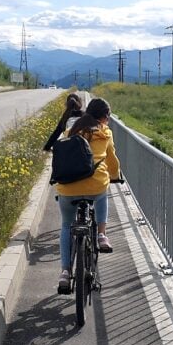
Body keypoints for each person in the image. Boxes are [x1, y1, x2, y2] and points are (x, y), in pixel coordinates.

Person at [53, 97, 121, 292]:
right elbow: (112, 160)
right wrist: (115, 176)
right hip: (95, 187)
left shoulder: (71, 131)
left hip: (67, 188)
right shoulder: (105, 133)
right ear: (105, 117)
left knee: (66, 226)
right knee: (102, 191)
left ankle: (65, 272)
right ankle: (101, 235)